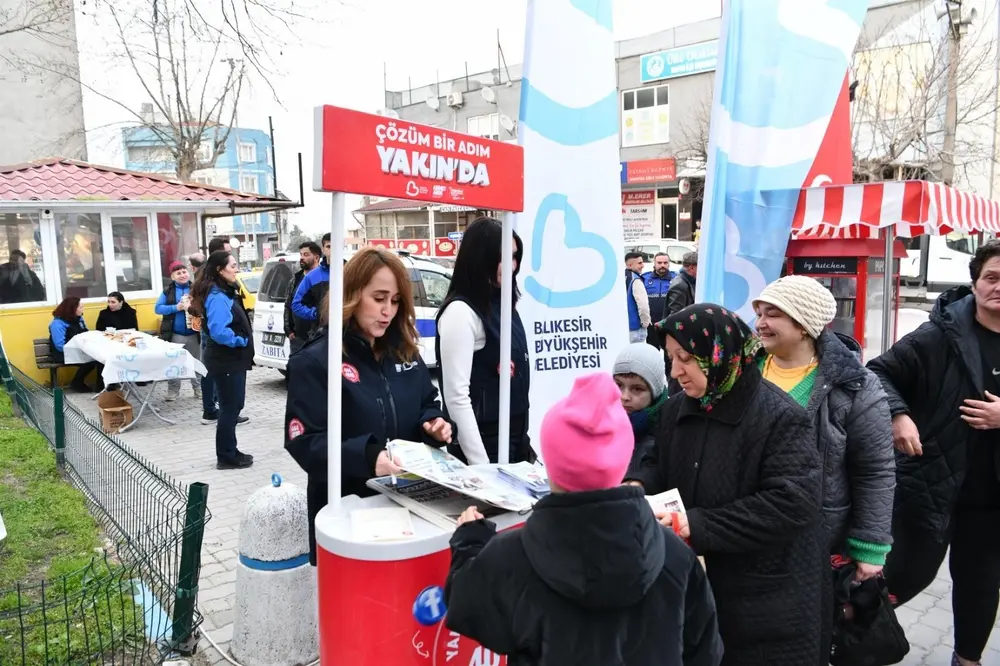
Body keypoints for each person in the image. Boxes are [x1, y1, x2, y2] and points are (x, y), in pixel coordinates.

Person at [444, 372, 723, 666]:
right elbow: (705, 653)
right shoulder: (676, 555)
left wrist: (470, 542)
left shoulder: (512, 556)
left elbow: (471, 611)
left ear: (551, 464)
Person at [626, 303, 825, 666]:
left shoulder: (779, 418)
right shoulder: (677, 409)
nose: (676, 371)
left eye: (685, 358)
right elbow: (659, 459)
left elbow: (792, 503)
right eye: (671, 358)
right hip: (694, 588)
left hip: (764, 601)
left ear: (719, 354)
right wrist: (639, 483)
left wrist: (698, 525)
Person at [867, 241, 1000, 666]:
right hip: (930, 483)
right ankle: (850, 642)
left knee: (981, 582)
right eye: (992, 278)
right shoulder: (940, 334)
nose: (998, 287)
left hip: (991, 497)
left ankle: (968, 660)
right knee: (901, 576)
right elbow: (878, 372)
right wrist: (898, 414)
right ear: (975, 282)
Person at [753, 275, 896, 660]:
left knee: (807, 639)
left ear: (803, 325)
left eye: (774, 314)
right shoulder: (744, 373)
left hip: (819, 540)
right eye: (760, 313)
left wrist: (869, 546)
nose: (761, 322)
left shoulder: (854, 386)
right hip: (751, 531)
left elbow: (875, 469)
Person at [284, 247, 453, 563]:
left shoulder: (404, 351)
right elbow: (304, 442)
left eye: (396, 300)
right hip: (348, 520)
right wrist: (367, 457)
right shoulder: (317, 360)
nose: (388, 310)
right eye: (379, 298)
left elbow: (426, 403)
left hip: (411, 512)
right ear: (352, 295)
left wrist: (434, 423)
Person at [435, 218, 532, 465]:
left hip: (516, 442)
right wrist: (482, 467)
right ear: (481, 257)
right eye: (503, 257)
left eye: (514, 256)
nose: (511, 265)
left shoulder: (505, 304)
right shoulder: (461, 312)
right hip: (484, 449)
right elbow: (456, 396)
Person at [192, 250, 255, 470]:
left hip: (230, 361)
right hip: (226, 360)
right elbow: (219, 332)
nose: (236, 269)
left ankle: (231, 450)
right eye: (233, 266)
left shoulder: (224, 291)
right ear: (220, 270)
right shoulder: (218, 296)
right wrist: (240, 341)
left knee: (234, 406)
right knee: (230, 408)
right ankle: (226, 456)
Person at [613, 342, 669, 477]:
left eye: (637, 389)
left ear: (654, 393)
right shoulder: (599, 427)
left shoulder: (667, 433)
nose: (625, 396)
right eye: (618, 385)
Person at [155, 260, 201, 401]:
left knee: (197, 363)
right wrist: (176, 307)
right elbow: (158, 308)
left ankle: (198, 389)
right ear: (173, 276)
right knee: (173, 363)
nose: (182, 275)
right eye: (178, 273)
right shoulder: (167, 291)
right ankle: (173, 391)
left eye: (184, 272)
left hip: (194, 333)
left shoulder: (196, 288)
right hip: (175, 334)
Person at [49, 296, 103, 392]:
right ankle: (77, 383)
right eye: (80, 307)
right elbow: (60, 346)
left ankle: (102, 386)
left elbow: (85, 333)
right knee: (91, 360)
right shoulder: (57, 324)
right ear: (72, 309)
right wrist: (81, 350)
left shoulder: (79, 319)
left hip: (80, 350)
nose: (83, 309)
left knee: (100, 357)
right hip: (63, 353)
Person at [291, 232, 332, 339]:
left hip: (348, 334)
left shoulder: (351, 272)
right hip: (321, 335)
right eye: (329, 246)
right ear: (323, 249)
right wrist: (316, 314)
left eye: (336, 246)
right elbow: (296, 304)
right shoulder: (312, 276)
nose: (332, 250)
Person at [284, 241, 322, 355]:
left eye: (306, 255)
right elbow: (288, 305)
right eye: (301, 254)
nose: (302, 258)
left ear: (316, 257)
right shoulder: (295, 280)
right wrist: (288, 329)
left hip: (318, 336)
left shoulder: (323, 279)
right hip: (297, 338)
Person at [642, 252, 674, 349]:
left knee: (670, 354)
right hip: (651, 324)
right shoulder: (644, 278)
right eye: (659, 263)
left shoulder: (676, 278)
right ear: (654, 264)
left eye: (665, 263)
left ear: (669, 264)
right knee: (652, 353)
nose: (662, 265)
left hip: (669, 323)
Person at [624, 252, 651, 343]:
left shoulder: (620, 277)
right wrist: (645, 322)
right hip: (635, 328)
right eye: (639, 263)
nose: (643, 266)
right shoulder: (635, 280)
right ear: (630, 265)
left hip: (623, 326)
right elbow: (643, 305)